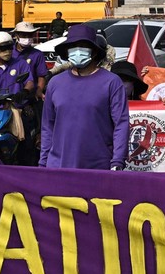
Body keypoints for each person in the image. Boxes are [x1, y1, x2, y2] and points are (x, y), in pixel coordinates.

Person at [39, 25, 129, 171]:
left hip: (98, 167)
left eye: (83, 46)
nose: (78, 50)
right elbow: (47, 126)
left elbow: (121, 124)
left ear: (94, 51)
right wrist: (43, 162)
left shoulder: (112, 82)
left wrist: (118, 160)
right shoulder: (55, 83)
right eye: (73, 46)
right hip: (59, 165)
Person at [9, 21, 53, 98]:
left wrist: (39, 91)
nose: (27, 38)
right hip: (10, 92)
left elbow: (41, 76)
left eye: (30, 35)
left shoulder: (37, 54)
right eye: (24, 35)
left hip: (30, 94)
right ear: (16, 35)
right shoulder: (9, 52)